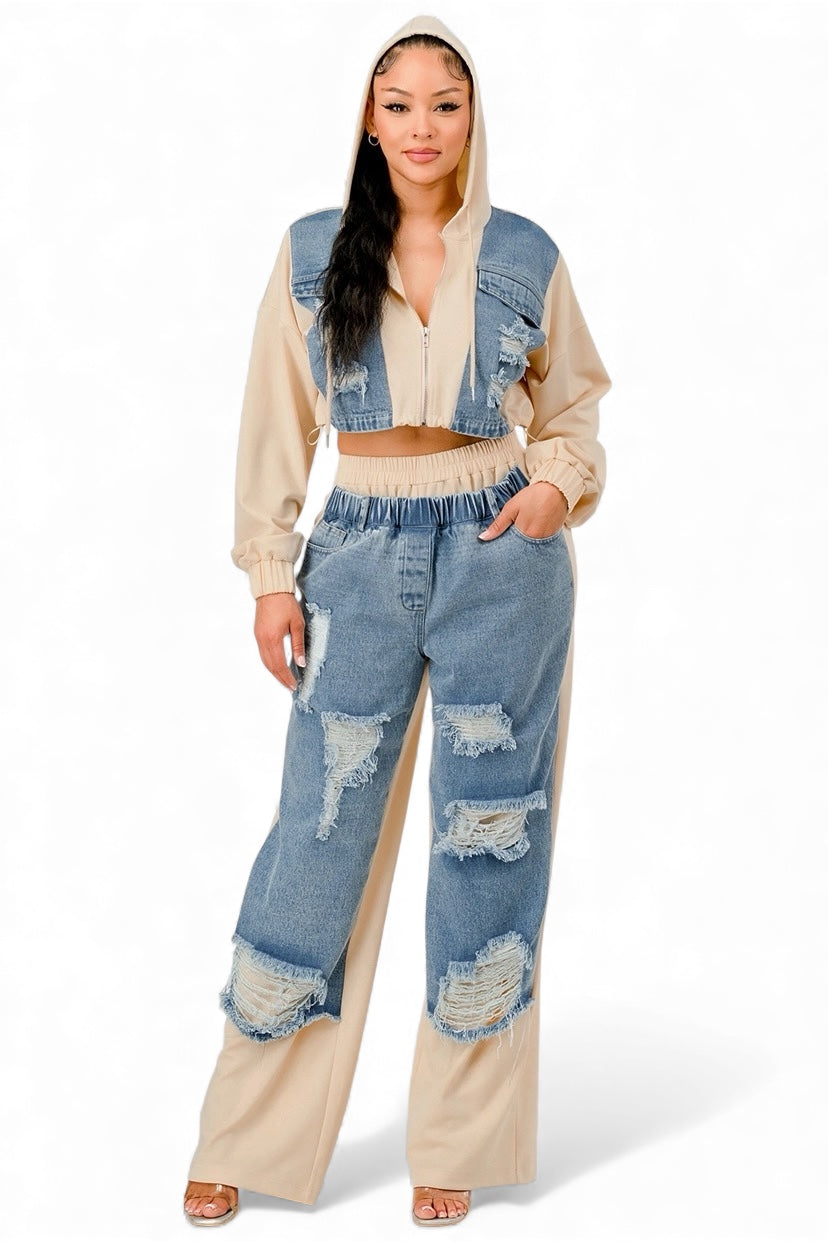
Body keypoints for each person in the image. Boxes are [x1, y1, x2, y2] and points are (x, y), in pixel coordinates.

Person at [183, 12, 612, 1229]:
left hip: (499, 549)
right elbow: (275, 420)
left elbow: (574, 407)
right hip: (358, 553)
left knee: (490, 839)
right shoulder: (313, 252)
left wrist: (553, 488)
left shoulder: (526, 252)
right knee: (317, 841)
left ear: (473, 120)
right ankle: (248, 1133)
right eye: (399, 103)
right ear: (369, 122)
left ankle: (458, 1141)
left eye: (445, 103)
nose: (423, 126)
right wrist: (272, 574)